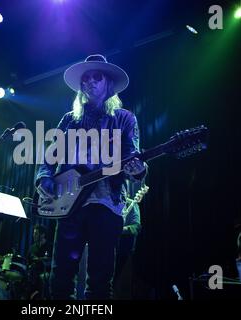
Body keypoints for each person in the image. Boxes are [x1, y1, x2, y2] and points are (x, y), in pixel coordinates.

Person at [35, 54, 147, 299]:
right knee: (60, 279)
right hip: (70, 205)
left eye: (97, 77)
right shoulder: (69, 119)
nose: (90, 82)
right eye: (86, 79)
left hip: (106, 204)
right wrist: (44, 177)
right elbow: (49, 156)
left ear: (108, 83)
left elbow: (133, 156)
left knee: (99, 281)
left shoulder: (124, 118)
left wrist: (137, 169)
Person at [27, 224, 52, 299]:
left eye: (36, 234)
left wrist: (41, 260)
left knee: (44, 277)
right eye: (33, 233)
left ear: (43, 235)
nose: (33, 235)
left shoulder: (50, 247)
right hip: (33, 273)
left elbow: (52, 261)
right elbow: (28, 262)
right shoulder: (32, 248)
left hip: (46, 272)